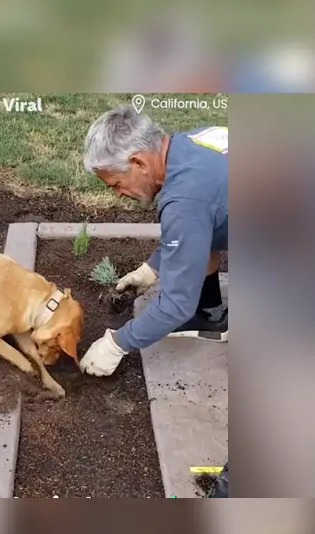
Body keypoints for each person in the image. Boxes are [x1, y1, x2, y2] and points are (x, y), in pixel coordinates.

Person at [78, 105, 228, 377]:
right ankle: (210, 314)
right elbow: (200, 225)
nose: (119, 194)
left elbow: (176, 303)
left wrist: (117, 344)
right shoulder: (193, 142)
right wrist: (152, 268)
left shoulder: (184, 201)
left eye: (116, 184)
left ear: (138, 163)